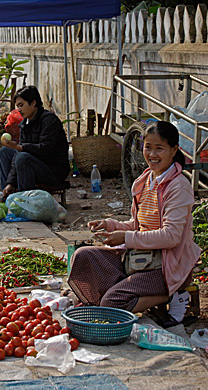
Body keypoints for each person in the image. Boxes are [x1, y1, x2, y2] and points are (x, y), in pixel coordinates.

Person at [68, 121, 201, 328]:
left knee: (111, 303)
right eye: (148, 147)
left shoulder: (178, 187)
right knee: (83, 255)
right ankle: (130, 291)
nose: (152, 154)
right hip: (140, 258)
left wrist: (126, 238)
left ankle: (174, 295)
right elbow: (137, 224)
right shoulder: (145, 180)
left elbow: (171, 236)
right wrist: (110, 225)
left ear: (174, 150)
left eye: (160, 148)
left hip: (168, 266)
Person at [0, 85, 70, 200]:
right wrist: (10, 182)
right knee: (5, 152)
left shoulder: (49, 120)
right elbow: (17, 153)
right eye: (17, 107)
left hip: (52, 171)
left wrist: (20, 147)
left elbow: (46, 149)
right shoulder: (24, 124)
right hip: (32, 166)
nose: (19, 110)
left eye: (21, 105)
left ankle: (24, 201)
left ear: (33, 103)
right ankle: (7, 196)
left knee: (23, 157)